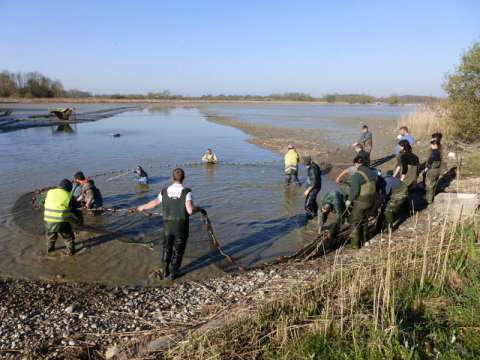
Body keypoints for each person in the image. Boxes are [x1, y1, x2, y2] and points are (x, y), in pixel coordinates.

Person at [137, 168, 205, 280]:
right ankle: (174, 273)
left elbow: (154, 203)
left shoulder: (164, 191)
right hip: (181, 227)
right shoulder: (187, 192)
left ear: (172, 178)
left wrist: (142, 207)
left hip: (168, 226)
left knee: (167, 248)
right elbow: (190, 211)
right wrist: (199, 208)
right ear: (183, 178)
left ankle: (165, 270)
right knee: (178, 251)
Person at [43, 179, 83, 255]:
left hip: (48, 220)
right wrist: (79, 220)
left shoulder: (50, 192)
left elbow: (43, 201)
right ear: (69, 188)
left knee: (50, 237)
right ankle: (70, 252)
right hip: (61, 222)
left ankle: (50, 250)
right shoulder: (69, 196)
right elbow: (76, 208)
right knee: (68, 237)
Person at [346, 156, 377, 248]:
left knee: (355, 221)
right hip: (371, 200)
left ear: (356, 164)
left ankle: (354, 245)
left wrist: (349, 200)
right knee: (364, 220)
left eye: (354, 165)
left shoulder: (357, 175)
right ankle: (365, 240)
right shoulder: (371, 172)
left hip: (362, 201)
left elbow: (354, 191)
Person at [424, 138, 442, 204]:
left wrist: (425, 169)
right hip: (437, 170)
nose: (430, 146)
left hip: (432, 170)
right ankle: (432, 198)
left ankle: (429, 200)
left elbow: (430, 162)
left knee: (429, 185)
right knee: (434, 184)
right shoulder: (439, 151)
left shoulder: (434, 153)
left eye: (431, 144)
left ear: (434, 145)